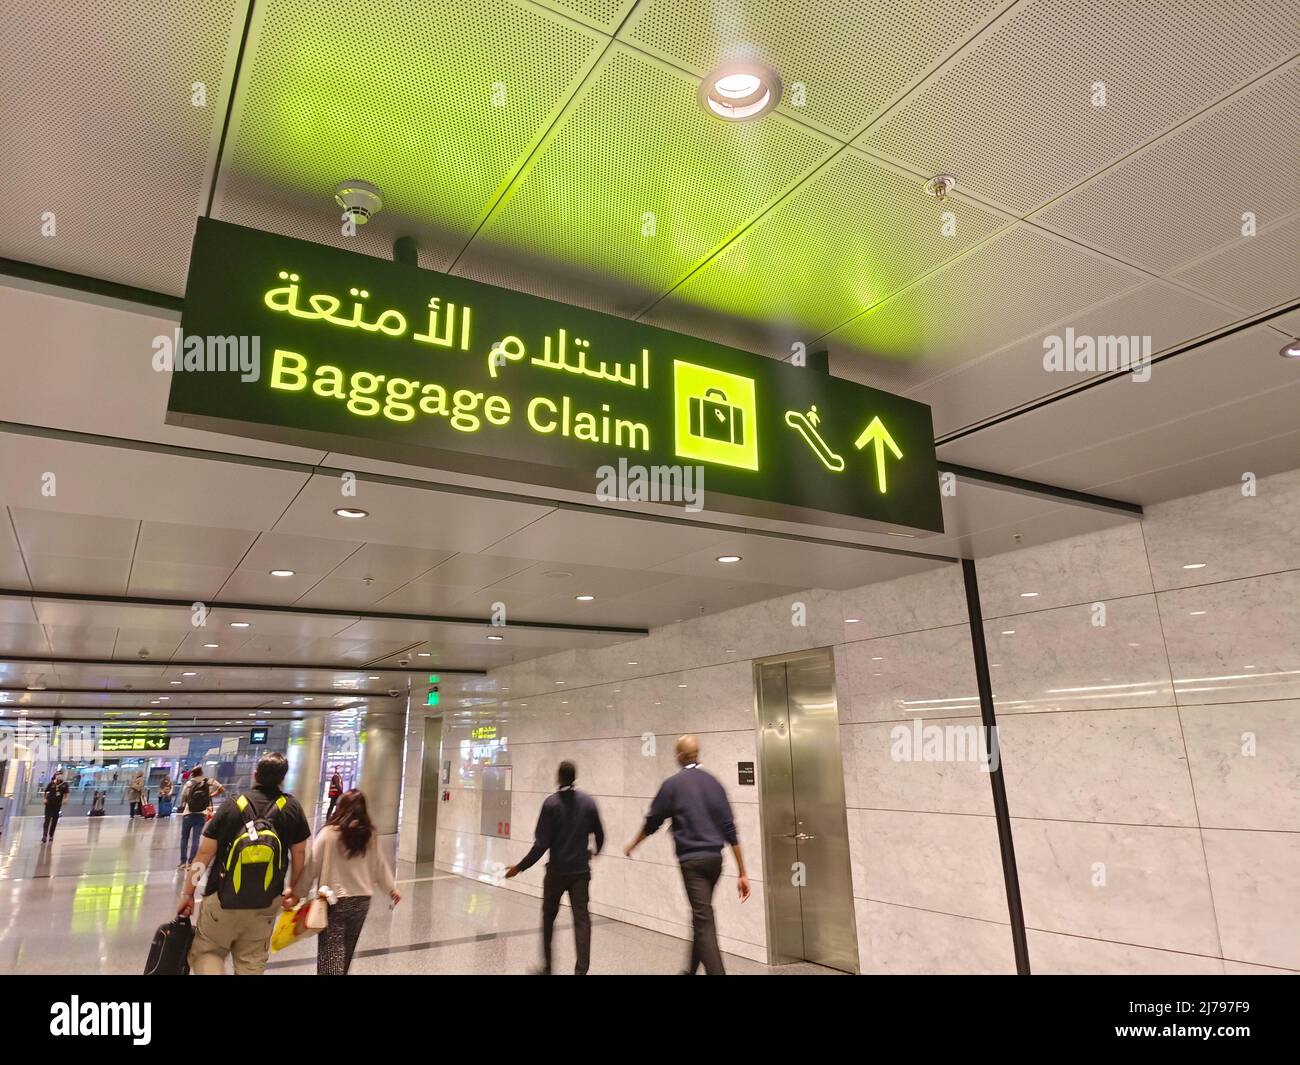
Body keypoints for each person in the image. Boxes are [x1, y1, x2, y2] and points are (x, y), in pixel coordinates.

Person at [625, 735, 750, 975]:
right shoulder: (714, 783)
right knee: (700, 915)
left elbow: (653, 821)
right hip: (715, 862)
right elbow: (730, 829)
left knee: (703, 919)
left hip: (692, 862)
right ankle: (690, 971)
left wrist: (633, 843)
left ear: (680, 756)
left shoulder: (673, 784)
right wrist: (742, 872)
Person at [177, 751, 310, 976]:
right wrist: (294, 890)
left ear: (255, 775)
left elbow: (203, 855)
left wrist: (188, 893)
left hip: (221, 900)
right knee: (251, 964)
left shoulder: (232, 805)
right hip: (266, 902)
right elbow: (300, 852)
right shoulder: (292, 808)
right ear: (282, 779)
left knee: (207, 953)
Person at [505, 760, 604, 975]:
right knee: (582, 919)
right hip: (580, 872)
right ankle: (581, 971)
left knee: (549, 917)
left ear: (558, 777)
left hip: (557, 872)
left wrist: (520, 867)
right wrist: (594, 851)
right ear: (574, 777)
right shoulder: (588, 803)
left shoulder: (551, 804)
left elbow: (541, 844)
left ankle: (548, 968)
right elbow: (600, 835)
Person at [294, 790, 400, 975]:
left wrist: (298, 893)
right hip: (361, 902)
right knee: (346, 953)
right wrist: (391, 889)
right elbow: (380, 866)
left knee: (330, 955)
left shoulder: (328, 834)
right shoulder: (369, 835)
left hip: (335, 902)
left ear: (340, 808)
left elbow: (312, 866)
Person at [177, 765, 225, 869]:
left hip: (188, 814)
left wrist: (184, 805)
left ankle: (182, 862)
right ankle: (191, 862)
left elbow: (183, 798)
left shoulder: (189, 784)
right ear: (202, 772)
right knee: (196, 838)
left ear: (192, 773)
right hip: (201, 814)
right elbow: (222, 788)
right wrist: (211, 795)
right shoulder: (209, 781)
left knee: (184, 838)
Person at [41, 770, 70, 843]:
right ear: (55, 775)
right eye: (57, 774)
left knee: (54, 820)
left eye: (60, 774)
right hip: (49, 804)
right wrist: (44, 799)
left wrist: (66, 799)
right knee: (47, 820)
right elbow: (46, 792)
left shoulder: (64, 785)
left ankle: (51, 835)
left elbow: (66, 793)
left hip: (57, 805)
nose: (58, 776)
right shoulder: (51, 784)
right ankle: (44, 835)